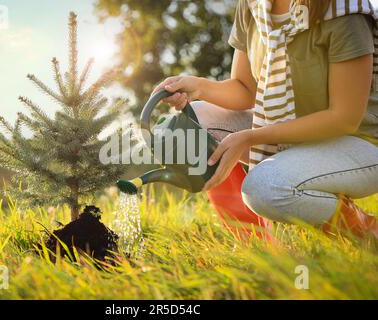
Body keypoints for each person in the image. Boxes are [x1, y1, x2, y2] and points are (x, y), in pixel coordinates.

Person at [152, 0, 378, 238]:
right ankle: (256, 239)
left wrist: (251, 137)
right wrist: (198, 87)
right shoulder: (253, 5)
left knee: (264, 187)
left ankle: (367, 231)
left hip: (358, 143)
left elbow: (344, 118)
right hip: (293, 132)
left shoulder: (344, 10)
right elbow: (244, 89)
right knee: (194, 125)